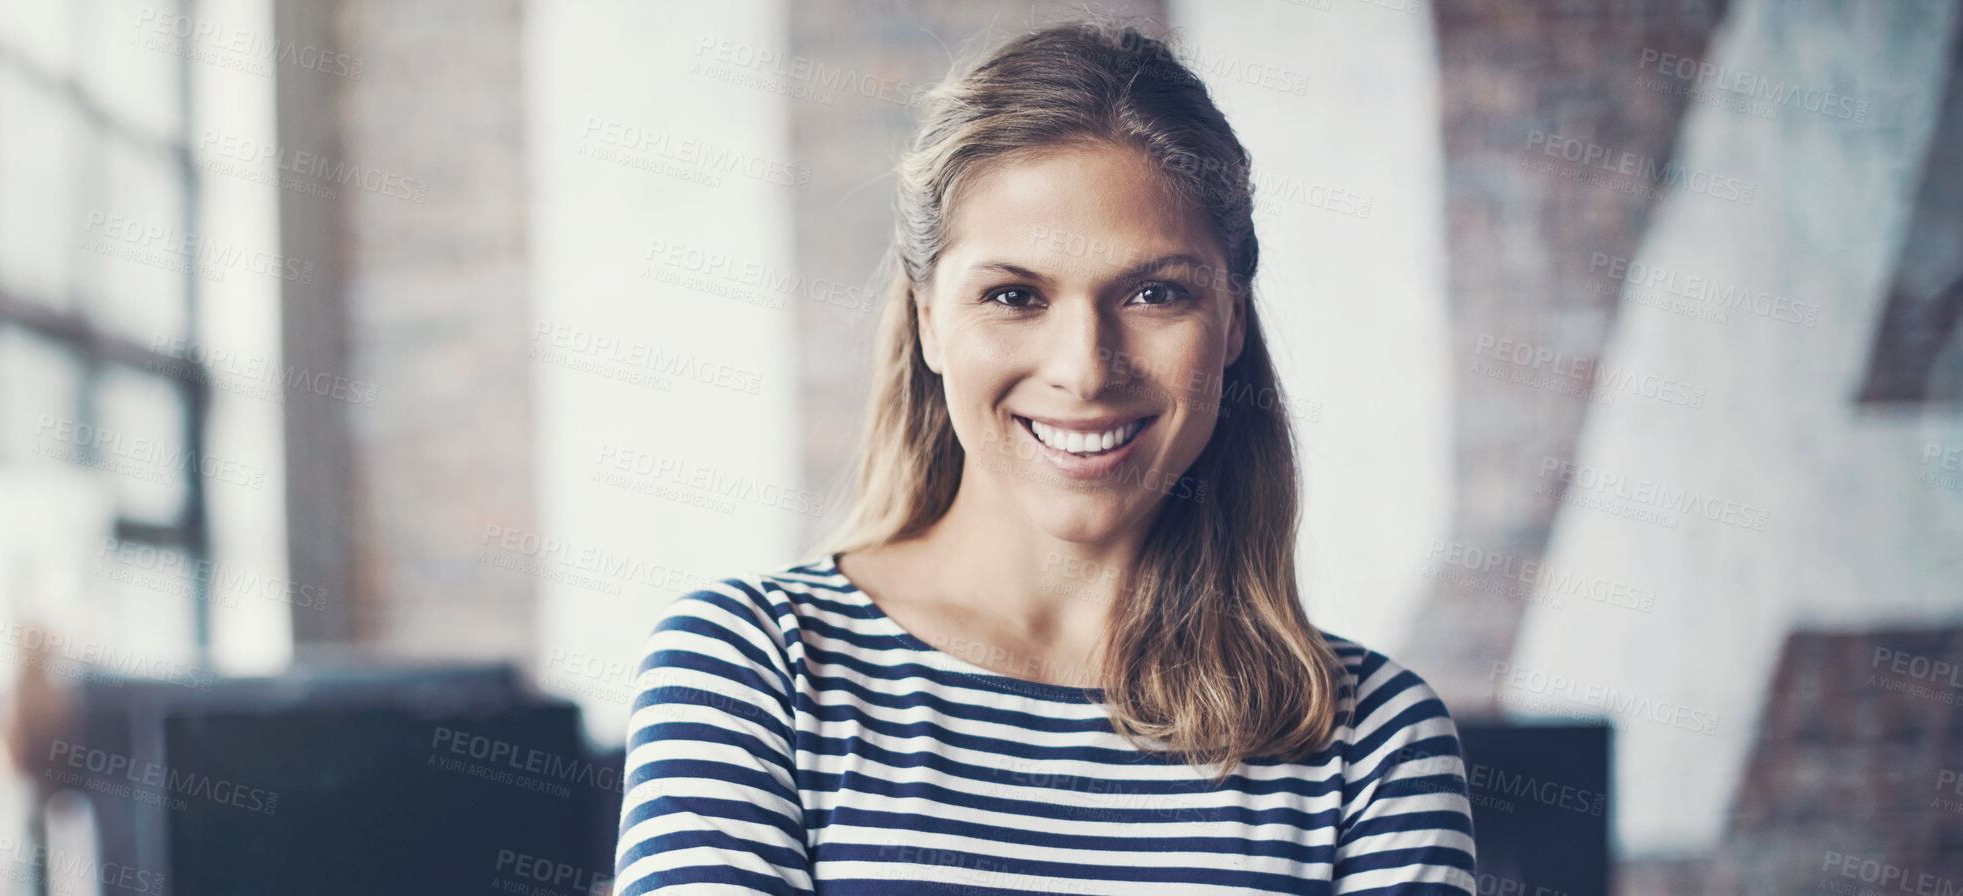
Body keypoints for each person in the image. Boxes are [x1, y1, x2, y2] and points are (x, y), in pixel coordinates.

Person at [613, 19, 1476, 895]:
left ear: (1234, 319)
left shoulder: (1374, 741)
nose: (1084, 369)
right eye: (1014, 295)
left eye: (1155, 292)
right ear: (928, 319)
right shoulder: (752, 671)